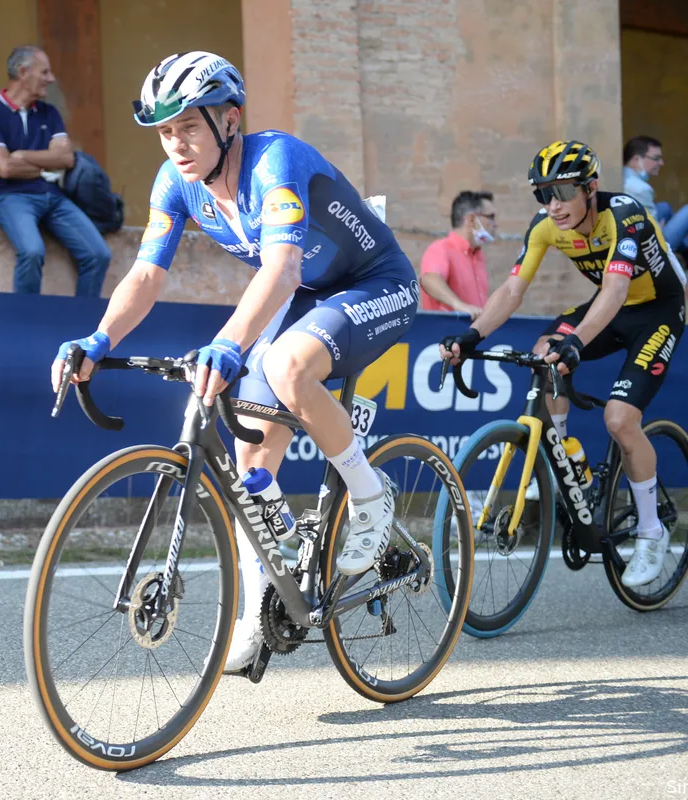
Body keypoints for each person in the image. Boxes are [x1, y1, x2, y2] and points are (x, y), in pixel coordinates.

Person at [50, 52, 420, 672]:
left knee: (287, 367)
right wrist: (99, 338)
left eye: (188, 127)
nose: (176, 144)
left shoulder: (276, 161)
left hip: (374, 282)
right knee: (250, 465)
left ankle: (370, 493)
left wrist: (228, 342)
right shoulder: (176, 184)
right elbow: (146, 274)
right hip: (304, 293)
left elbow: (282, 268)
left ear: (229, 120)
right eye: (165, 132)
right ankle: (259, 612)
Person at [440, 140, 688, 588]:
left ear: (590, 188)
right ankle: (567, 461)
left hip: (657, 311)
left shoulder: (625, 215)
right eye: (543, 194)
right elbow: (512, 290)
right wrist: (472, 335)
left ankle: (652, 532)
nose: (553, 205)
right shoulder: (546, 225)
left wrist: (576, 343)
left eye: (563, 192)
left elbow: (615, 290)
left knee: (620, 420)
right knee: (544, 353)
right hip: (611, 306)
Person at [0, 46, 112, 297]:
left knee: (98, 254)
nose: (51, 78)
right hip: (8, 197)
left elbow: (66, 158)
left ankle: (82, 318)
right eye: (45, 72)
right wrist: (43, 166)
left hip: (53, 197)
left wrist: (21, 156)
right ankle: (27, 318)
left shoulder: (50, 113)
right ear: (23, 72)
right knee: (31, 251)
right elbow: (4, 168)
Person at [622, 135, 688, 269]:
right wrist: (660, 227)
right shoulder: (641, 188)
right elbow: (653, 234)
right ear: (636, 159)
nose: (661, 163)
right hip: (650, 251)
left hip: (630, 239)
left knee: (664, 207)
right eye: (656, 158)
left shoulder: (621, 176)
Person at [419, 191, 497, 319]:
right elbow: (429, 279)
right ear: (471, 219)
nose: (495, 224)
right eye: (491, 216)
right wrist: (459, 305)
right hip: (445, 330)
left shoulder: (479, 255)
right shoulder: (440, 249)